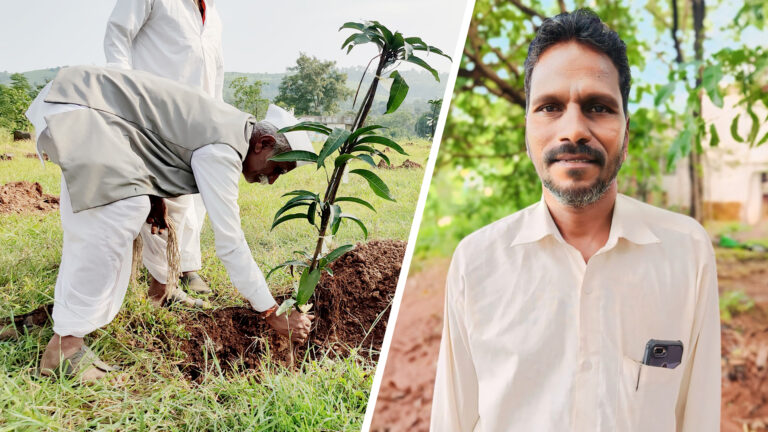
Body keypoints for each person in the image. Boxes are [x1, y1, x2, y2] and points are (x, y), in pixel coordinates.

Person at [430, 9, 720, 432]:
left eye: (598, 107)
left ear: (626, 130)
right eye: (550, 107)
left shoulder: (686, 251)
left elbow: (698, 417)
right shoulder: (476, 262)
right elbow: (452, 420)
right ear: (526, 129)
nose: (574, 130)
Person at [25, 65, 314, 381]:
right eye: (278, 170)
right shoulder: (225, 148)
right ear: (264, 143)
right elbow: (231, 244)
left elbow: (154, 141)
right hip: (82, 107)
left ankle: (119, 306)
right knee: (117, 211)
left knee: (138, 208)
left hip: (84, 107)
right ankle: (64, 350)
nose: (270, 181)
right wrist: (273, 313)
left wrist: (154, 193)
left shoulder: (231, 129)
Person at [104, 0, 225, 297]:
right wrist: (126, 94)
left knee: (193, 198)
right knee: (163, 197)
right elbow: (118, 34)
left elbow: (215, 69)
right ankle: (161, 281)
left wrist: (217, 117)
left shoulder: (212, 15)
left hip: (198, 119)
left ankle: (185, 267)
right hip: (155, 110)